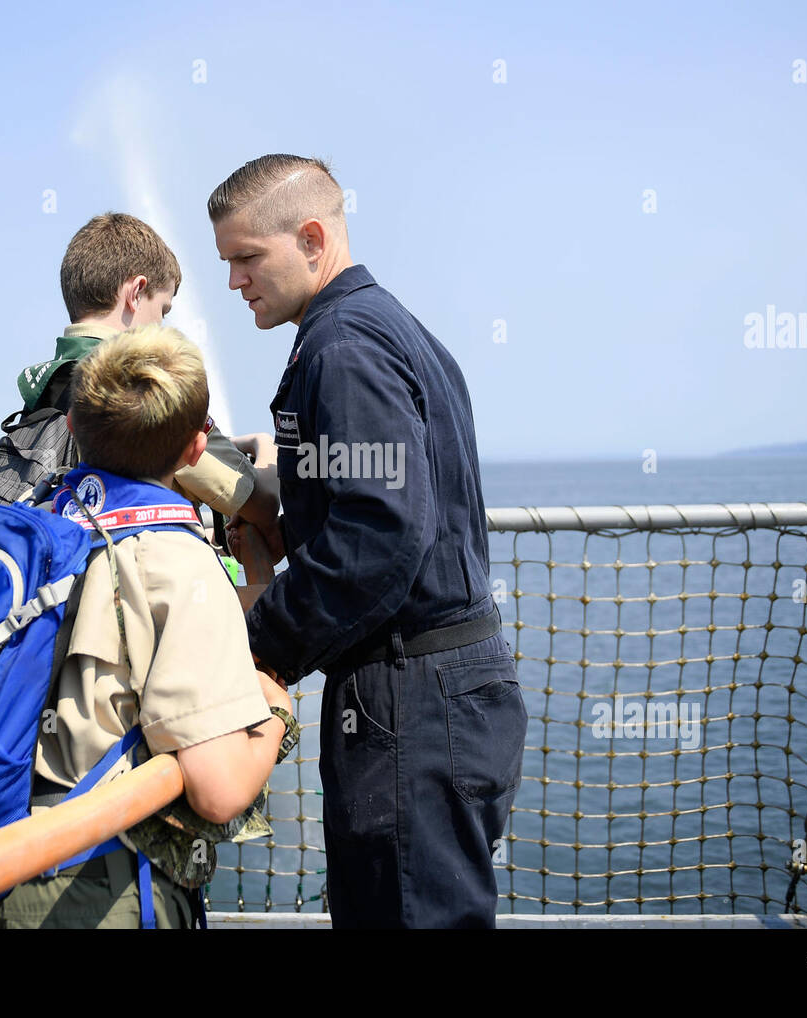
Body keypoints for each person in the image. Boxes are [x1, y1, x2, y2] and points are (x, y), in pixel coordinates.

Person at [209, 154, 528, 929]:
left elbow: (378, 535)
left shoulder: (342, 348)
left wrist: (258, 644)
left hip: (411, 700)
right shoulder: (385, 328)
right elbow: (380, 493)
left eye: (247, 258)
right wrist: (268, 475)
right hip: (443, 688)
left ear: (312, 237)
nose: (233, 282)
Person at [0, 325, 297, 929]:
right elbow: (218, 791)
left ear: (72, 432)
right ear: (197, 452)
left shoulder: (28, 525)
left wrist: (257, 583)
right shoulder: (178, 561)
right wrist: (273, 709)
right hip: (91, 889)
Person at [0, 212, 278, 538]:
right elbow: (259, 505)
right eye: (162, 310)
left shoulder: (48, 389)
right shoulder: (149, 389)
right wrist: (265, 447)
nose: (162, 325)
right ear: (136, 292)